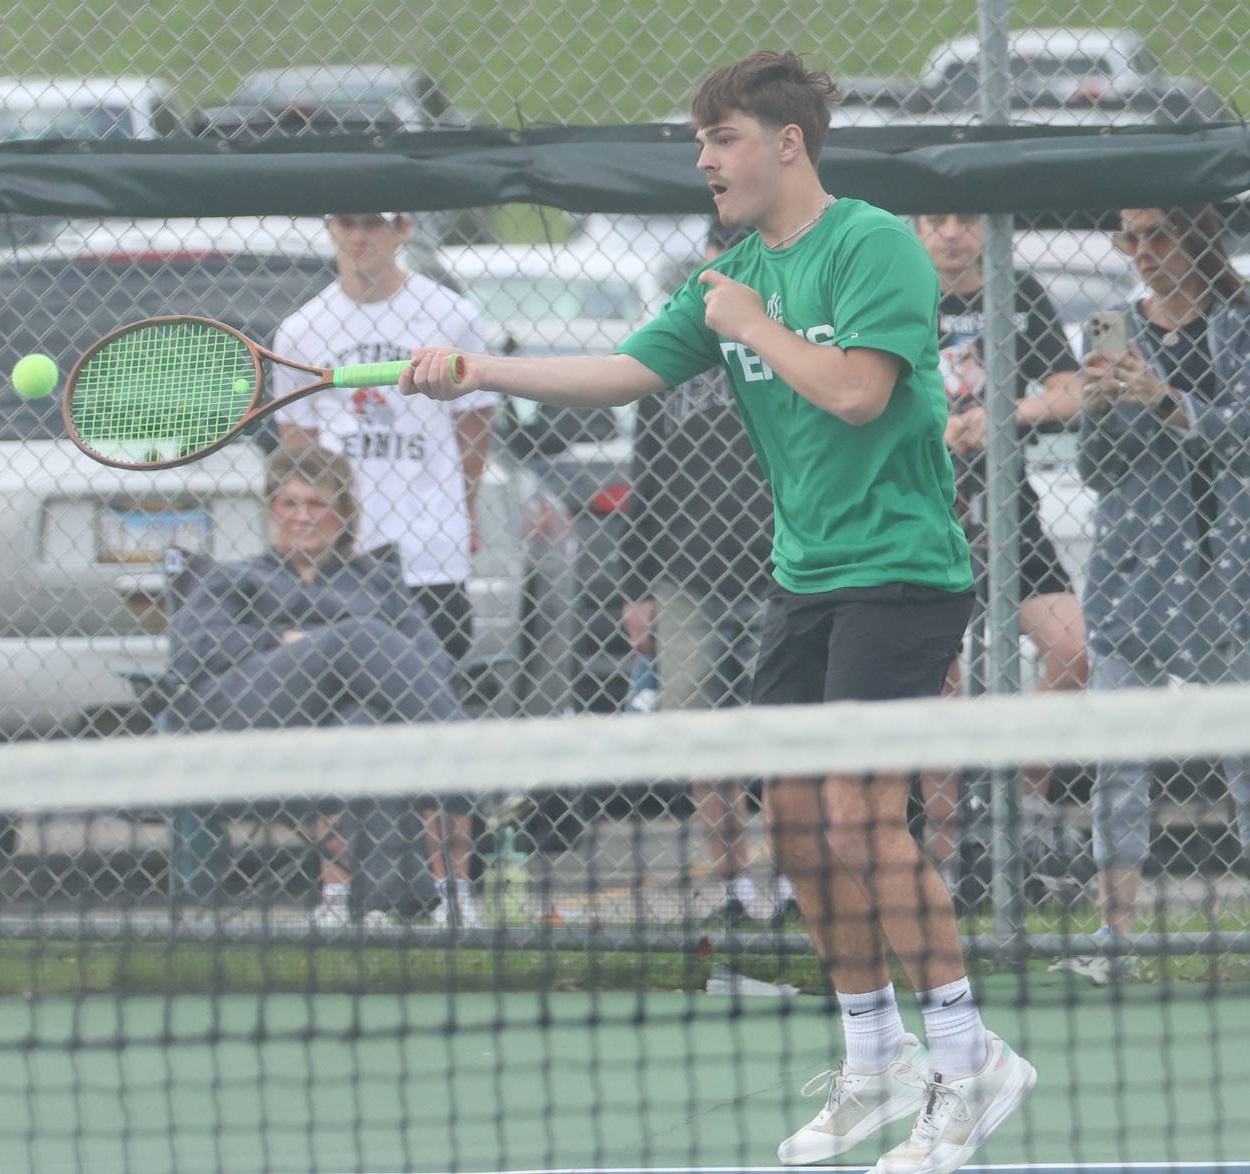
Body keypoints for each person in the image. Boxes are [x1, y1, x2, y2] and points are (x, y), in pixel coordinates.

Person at [400, 49, 1034, 1174]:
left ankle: (969, 1053)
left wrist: (746, 321)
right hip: (807, 579)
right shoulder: (727, 279)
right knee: (793, 820)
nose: (703, 160)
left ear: (788, 143)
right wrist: (481, 367)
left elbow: (856, 393)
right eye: (700, 143)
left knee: (858, 816)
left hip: (905, 571)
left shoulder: (872, 242)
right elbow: (617, 371)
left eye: (722, 138)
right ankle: (874, 1053)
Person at [275, 210, 499, 923]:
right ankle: (340, 893)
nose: (359, 237)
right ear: (329, 229)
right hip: (342, 576)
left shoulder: (452, 316)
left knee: (435, 730)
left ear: (403, 228)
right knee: (336, 731)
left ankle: (453, 891)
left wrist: (453, 518)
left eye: (374, 223)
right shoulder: (301, 330)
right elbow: (299, 456)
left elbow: (474, 429)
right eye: (346, 223)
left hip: (427, 567)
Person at [170, 443, 479, 927]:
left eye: (317, 504)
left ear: (343, 513)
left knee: (362, 726)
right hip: (247, 718)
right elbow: (194, 651)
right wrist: (286, 641)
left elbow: (429, 661)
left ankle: (389, 904)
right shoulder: (233, 578)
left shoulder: (376, 584)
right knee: (356, 640)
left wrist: (325, 652)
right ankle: (476, 766)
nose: (301, 517)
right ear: (271, 510)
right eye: (289, 503)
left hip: (344, 729)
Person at [1071, 204, 1250, 970]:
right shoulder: (1111, 327)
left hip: (1230, 577)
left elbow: (1240, 439)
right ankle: (1116, 936)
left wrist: (1165, 399)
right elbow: (1096, 471)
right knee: (1118, 758)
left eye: (1159, 236)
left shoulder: (1240, 326)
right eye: (1129, 238)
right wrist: (1101, 408)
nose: (1142, 253)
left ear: (1200, 238)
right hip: (1134, 575)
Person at [620, 216, 794, 926]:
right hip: (687, 579)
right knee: (703, 738)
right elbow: (646, 479)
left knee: (781, 740)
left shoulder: (788, 348)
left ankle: (782, 887)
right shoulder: (673, 358)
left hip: (782, 576)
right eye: (713, 273)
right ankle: (729, 886)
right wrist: (637, 590)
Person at [911, 212, 1089, 885]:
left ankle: (1023, 810)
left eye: (965, 220)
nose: (952, 234)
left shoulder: (1018, 292)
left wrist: (1003, 415)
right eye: (937, 221)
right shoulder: (895, 291)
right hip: (924, 510)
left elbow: (1070, 394)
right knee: (941, 679)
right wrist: (936, 427)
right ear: (916, 227)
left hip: (1011, 512)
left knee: (1072, 646)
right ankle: (949, 855)